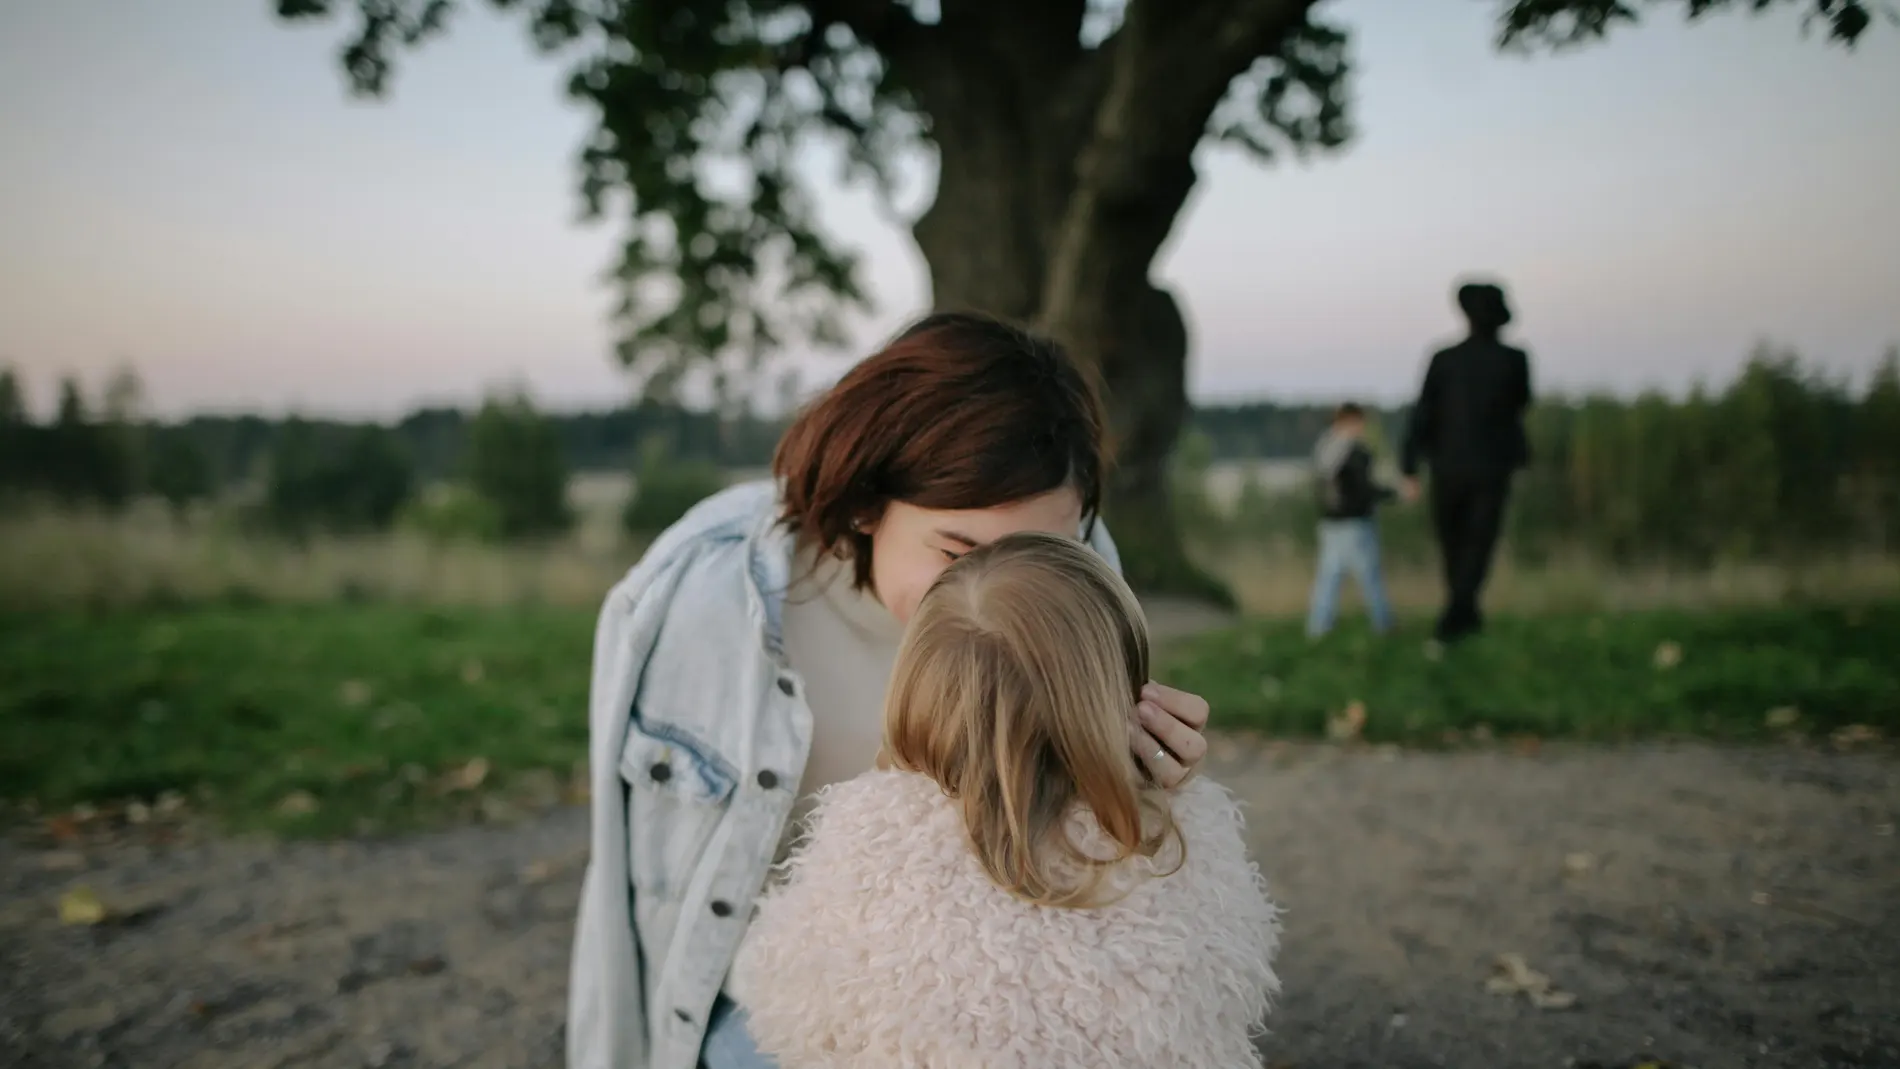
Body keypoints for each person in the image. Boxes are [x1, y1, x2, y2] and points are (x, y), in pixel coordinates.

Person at [567, 311, 1217, 1069]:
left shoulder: (1084, 590)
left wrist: (1146, 787)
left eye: (1043, 551)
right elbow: (622, 894)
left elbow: (1082, 872)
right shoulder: (698, 601)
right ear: (868, 503)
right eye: (957, 548)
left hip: (983, 1003)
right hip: (773, 1005)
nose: (998, 589)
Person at [730, 531, 1280, 1068]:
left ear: (919, 682)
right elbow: (1223, 1002)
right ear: (1121, 693)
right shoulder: (1174, 839)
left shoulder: (865, 833)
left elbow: (785, 1004)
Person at [1400, 280, 1533, 644]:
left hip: (1449, 466)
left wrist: (1410, 465)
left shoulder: (1445, 360)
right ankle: (1463, 613)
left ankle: (1456, 616)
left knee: (1456, 542)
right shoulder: (1514, 361)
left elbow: (1422, 415)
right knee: (1477, 542)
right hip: (1491, 467)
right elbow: (1520, 406)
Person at [1306, 402, 1396, 638]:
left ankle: (1318, 627)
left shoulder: (1324, 449)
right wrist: (1393, 493)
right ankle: (1383, 624)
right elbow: (1364, 488)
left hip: (1329, 522)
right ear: (1351, 421)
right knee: (1370, 576)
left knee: (1328, 577)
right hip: (1355, 522)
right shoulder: (1354, 452)